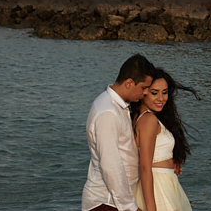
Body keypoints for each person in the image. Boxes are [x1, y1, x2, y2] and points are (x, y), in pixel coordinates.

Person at [83, 54, 156, 211]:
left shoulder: (117, 106)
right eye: (144, 87)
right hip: (107, 202)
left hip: (114, 202)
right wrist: (130, 207)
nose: (145, 93)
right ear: (129, 83)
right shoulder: (108, 111)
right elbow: (111, 164)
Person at [131, 67, 196, 211]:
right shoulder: (148, 119)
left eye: (165, 92)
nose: (161, 98)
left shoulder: (141, 117)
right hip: (157, 187)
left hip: (163, 183)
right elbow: (145, 167)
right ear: (144, 92)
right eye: (154, 93)